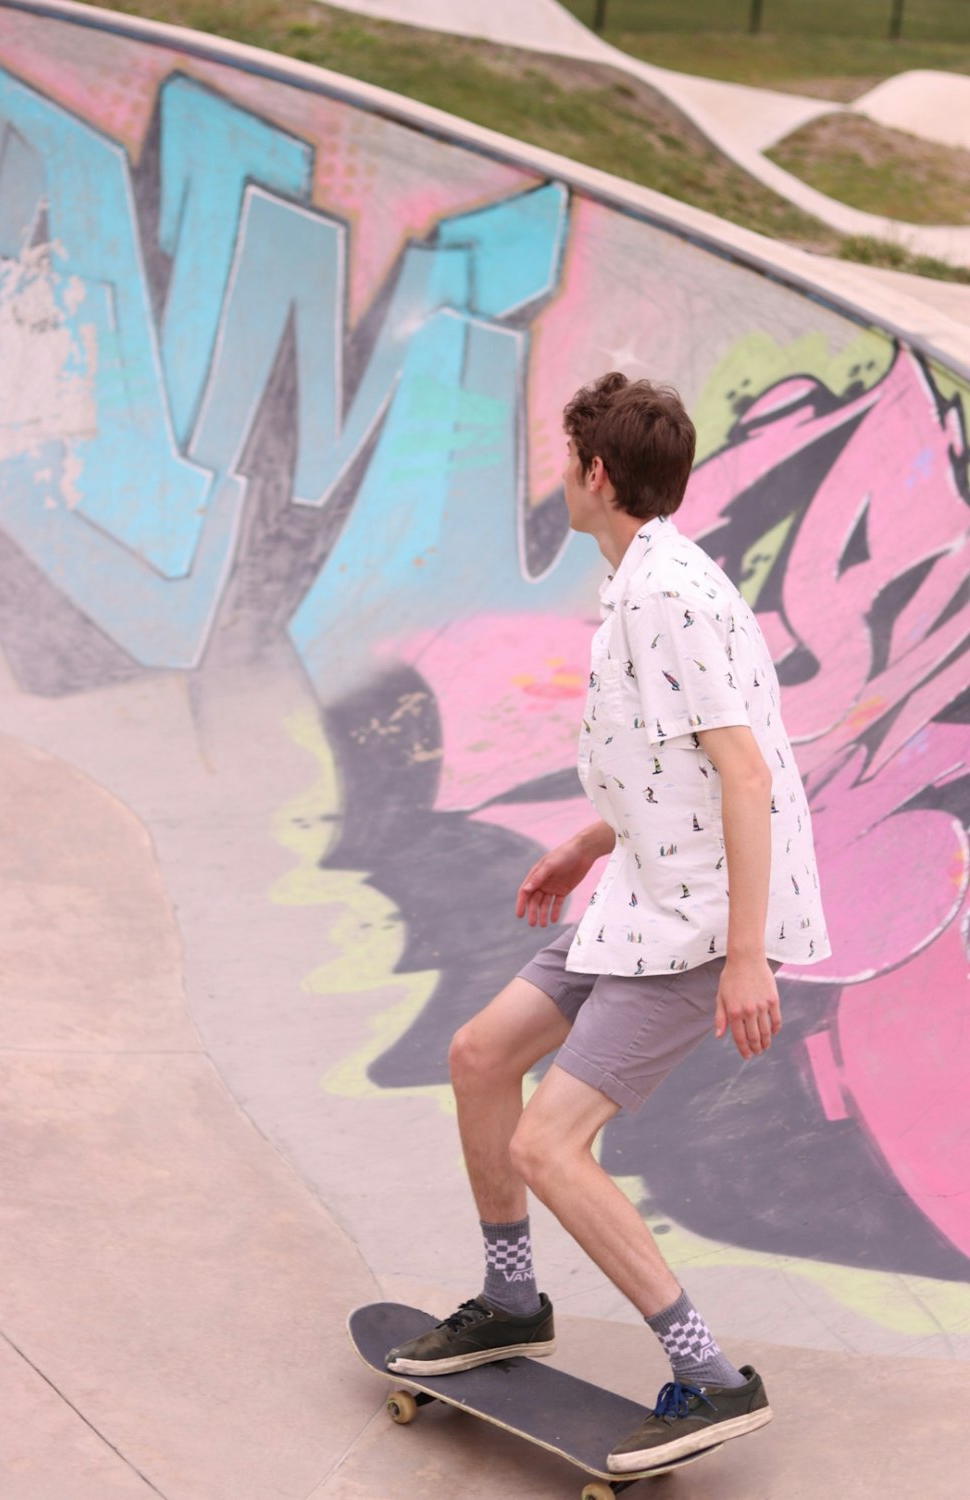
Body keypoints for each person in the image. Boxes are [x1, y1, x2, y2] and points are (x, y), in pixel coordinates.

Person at [386, 372, 830, 1472]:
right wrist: (588, 842)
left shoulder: (663, 597)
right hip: (639, 897)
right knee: (481, 1055)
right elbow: (670, 759)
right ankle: (507, 1299)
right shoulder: (647, 579)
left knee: (550, 1140)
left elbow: (743, 775)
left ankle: (711, 1378)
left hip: (693, 927)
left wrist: (742, 957)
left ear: (594, 473)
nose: (559, 474)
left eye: (565, 455)